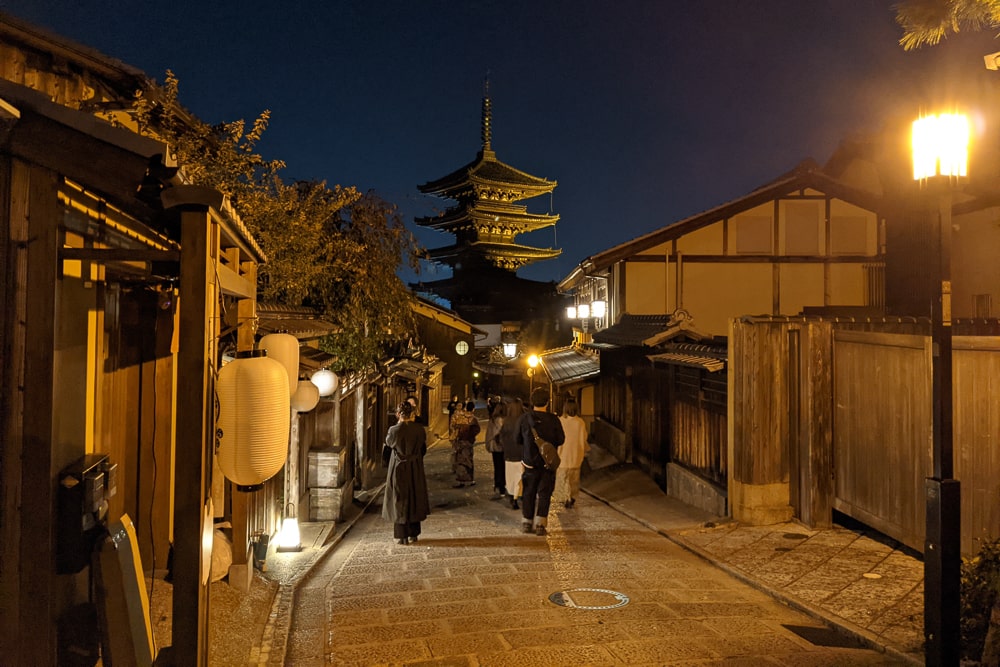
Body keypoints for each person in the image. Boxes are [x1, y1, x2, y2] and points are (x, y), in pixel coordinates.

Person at [517, 387, 565, 536]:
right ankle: (540, 524)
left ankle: (527, 521)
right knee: (544, 493)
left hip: (530, 462)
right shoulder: (553, 419)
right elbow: (561, 439)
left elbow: (517, 439)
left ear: (532, 402)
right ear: (547, 402)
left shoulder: (525, 419)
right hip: (547, 464)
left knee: (528, 492)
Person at [381, 401, 430, 545]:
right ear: (412, 414)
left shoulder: (394, 430)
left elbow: (389, 445)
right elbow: (423, 449)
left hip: (398, 466)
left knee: (399, 498)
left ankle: (402, 536)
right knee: (415, 496)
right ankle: (414, 534)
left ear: (398, 414)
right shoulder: (419, 429)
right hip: (415, 466)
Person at [557, 397, 589, 508]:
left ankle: (566, 497)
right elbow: (583, 438)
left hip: (563, 454)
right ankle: (572, 497)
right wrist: (584, 450)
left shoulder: (560, 421)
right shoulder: (580, 422)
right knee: (573, 479)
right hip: (576, 454)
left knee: (563, 478)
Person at [498, 397, 527, 509]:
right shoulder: (524, 420)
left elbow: (501, 438)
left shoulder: (507, 421)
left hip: (509, 453)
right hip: (521, 453)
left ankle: (511, 496)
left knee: (510, 476)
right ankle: (516, 496)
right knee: (519, 477)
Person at [449, 399, 479, 487]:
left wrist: (457, 433)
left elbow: (453, 425)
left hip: (460, 440)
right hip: (468, 441)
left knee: (460, 460)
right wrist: (471, 435)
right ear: (473, 409)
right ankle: (470, 479)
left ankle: (461, 480)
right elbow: (477, 429)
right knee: (469, 459)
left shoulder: (460, 417)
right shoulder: (473, 418)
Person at [483, 397, 506, 499]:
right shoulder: (501, 420)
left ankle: (497, 484)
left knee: (497, 466)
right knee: (502, 466)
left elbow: (489, 434)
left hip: (494, 446)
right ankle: (502, 487)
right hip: (501, 446)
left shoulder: (492, 419)